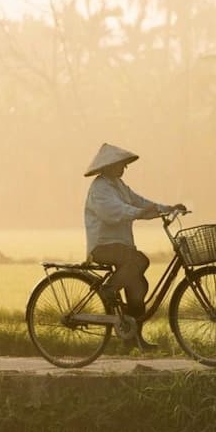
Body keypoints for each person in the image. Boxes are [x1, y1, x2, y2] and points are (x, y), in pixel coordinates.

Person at [83, 143, 185, 348]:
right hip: (103, 247)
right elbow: (114, 212)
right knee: (140, 260)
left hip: (120, 247)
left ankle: (133, 339)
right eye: (121, 164)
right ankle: (109, 289)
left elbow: (139, 201)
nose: (125, 167)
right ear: (110, 165)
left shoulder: (119, 185)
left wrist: (166, 208)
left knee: (138, 285)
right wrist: (139, 213)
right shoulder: (100, 188)